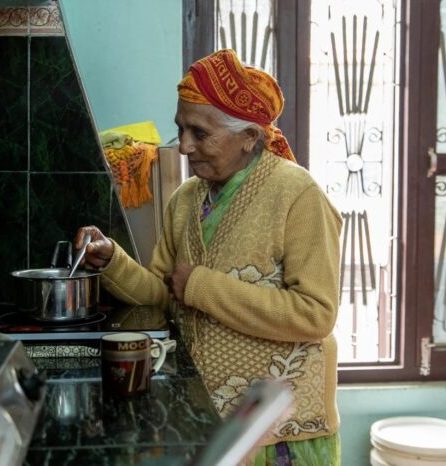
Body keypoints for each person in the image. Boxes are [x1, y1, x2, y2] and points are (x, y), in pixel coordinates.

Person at [76, 48, 343, 465]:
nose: (184, 147)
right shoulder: (186, 199)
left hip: (276, 434)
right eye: (181, 129)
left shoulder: (298, 196)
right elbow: (163, 292)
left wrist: (201, 286)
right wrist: (112, 261)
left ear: (249, 137)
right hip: (209, 419)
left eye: (200, 134)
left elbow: (316, 314)